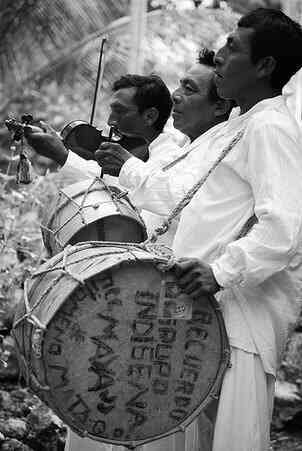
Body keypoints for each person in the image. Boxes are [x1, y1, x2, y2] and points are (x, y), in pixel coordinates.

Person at [96, 8, 302, 451]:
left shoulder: (271, 127)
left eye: (233, 48)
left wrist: (220, 271)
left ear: (265, 66)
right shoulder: (242, 123)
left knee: (230, 438)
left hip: (239, 314)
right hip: (209, 312)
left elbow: (285, 227)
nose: (222, 56)